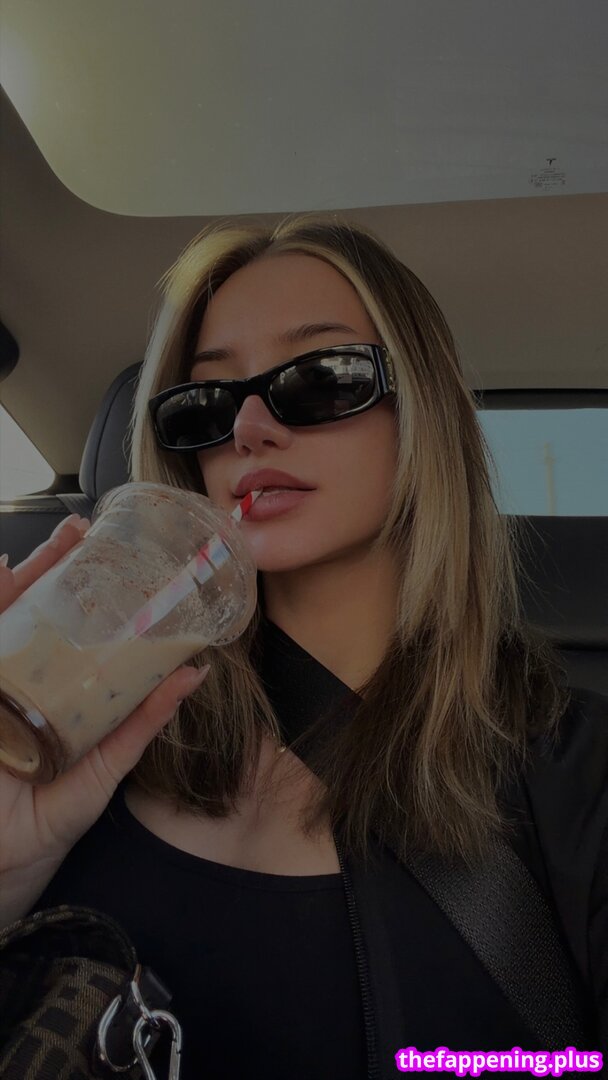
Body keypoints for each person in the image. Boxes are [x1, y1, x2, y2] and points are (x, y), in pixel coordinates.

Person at [0, 214, 606, 1080]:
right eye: (206, 403)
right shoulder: (92, 738)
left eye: (321, 378)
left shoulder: (577, 772)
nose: (248, 428)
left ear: (423, 413)